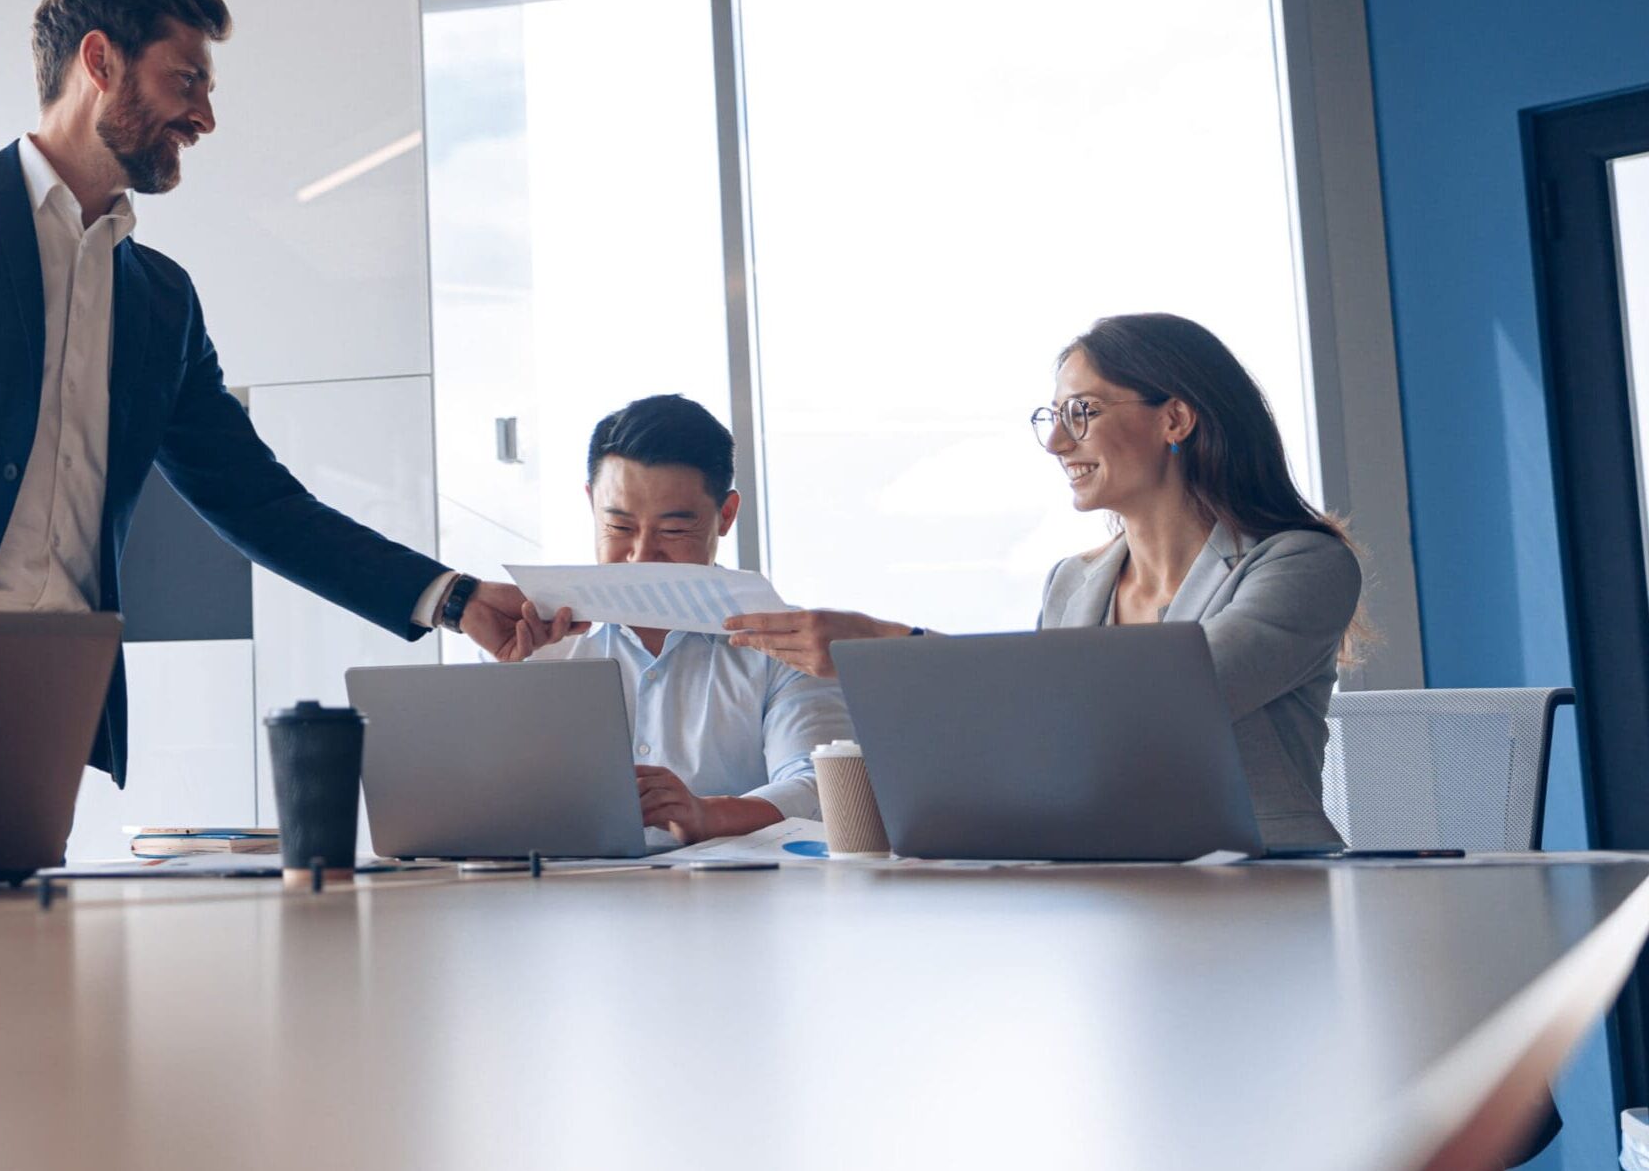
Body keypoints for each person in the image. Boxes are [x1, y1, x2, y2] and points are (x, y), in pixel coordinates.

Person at [0, 0, 552, 778]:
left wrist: (454, 599)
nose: (205, 117)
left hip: (40, 706)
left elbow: (261, 504)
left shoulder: (160, 302)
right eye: (187, 80)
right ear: (100, 62)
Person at [724, 311, 1360, 850]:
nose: (1057, 442)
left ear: (1175, 420)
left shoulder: (1301, 565)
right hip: (1105, 884)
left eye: (1082, 412)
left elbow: (1158, 704)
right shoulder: (1074, 582)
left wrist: (892, 647)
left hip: (1270, 886)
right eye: (1052, 416)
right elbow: (1040, 743)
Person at [499, 396, 851, 842]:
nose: (642, 555)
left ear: (725, 516)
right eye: (620, 528)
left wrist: (709, 815)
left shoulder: (790, 641)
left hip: (739, 902)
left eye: (673, 530)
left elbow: (823, 784)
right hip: (569, 898)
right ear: (591, 505)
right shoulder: (532, 641)